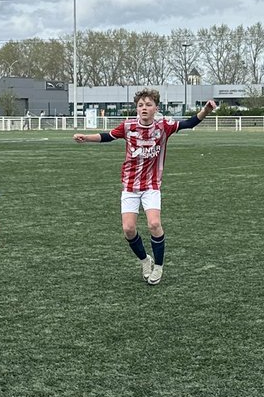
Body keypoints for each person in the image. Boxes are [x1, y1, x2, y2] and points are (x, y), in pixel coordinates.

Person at [73, 89, 217, 285]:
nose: (144, 108)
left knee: (154, 224)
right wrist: (86, 137)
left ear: (156, 108)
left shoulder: (164, 126)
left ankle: (158, 266)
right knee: (128, 229)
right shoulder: (128, 126)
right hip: (130, 185)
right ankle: (145, 260)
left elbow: (189, 123)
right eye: (140, 105)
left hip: (151, 185)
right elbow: (108, 136)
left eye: (148, 105)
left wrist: (206, 110)